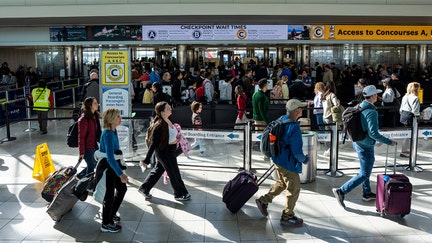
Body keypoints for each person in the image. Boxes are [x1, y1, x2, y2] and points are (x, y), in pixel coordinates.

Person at [332, 85, 397, 209]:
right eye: (376, 94)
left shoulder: (360, 106)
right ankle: (341, 191)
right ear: (372, 96)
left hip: (357, 141)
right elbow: (374, 133)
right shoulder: (371, 112)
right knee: (364, 174)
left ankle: (367, 193)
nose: (377, 96)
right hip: (366, 145)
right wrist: (389, 142)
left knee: (364, 170)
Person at [255, 99, 309, 227]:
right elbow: (296, 151)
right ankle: (287, 216)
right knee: (294, 188)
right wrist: (305, 159)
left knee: (282, 183)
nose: (302, 109)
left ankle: (264, 201)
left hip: (277, 159)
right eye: (301, 108)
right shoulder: (294, 127)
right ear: (296, 111)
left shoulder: (282, 119)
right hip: (287, 163)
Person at [139, 101, 191, 201]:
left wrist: (176, 139)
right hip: (164, 152)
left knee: (158, 171)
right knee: (173, 172)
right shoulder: (159, 126)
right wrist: (146, 159)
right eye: (167, 108)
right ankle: (180, 194)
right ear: (162, 112)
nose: (170, 108)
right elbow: (153, 144)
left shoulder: (167, 120)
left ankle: (144, 188)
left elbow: (168, 137)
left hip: (169, 151)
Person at [98, 108, 128, 233]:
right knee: (109, 195)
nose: (120, 119)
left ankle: (111, 214)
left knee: (121, 189)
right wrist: (120, 174)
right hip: (108, 167)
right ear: (111, 120)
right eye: (117, 117)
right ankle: (106, 223)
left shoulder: (113, 130)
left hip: (112, 165)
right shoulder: (109, 134)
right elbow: (110, 157)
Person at [77, 97, 101, 179]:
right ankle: (88, 185)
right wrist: (82, 152)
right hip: (88, 148)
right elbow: (81, 137)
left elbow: (98, 133)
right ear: (90, 105)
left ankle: (79, 178)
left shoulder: (94, 116)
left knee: (94, 164)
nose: (97, 104)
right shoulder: (84, 119)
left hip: (94, 145)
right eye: (95, 103)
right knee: (91, 166)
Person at [399, 82, 421, 158]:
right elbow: (415, 111)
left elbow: (401, 108)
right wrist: (420, 116)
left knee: (407, 134)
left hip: (404, 115)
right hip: (410, 116)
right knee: (410, 135)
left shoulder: (405, 96)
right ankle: (405, 151)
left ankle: (407, 150)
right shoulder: (415, 98)